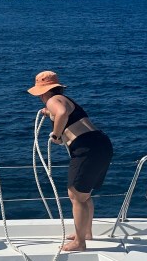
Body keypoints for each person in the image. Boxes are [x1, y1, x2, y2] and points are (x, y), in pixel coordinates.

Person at [28, 70, 114, 251]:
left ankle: (79, 242)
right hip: (100, 144)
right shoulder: (63, 99)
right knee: (84, 194)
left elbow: (62, 113)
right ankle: (86, 233)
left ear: (43, 92)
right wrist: (48, 112)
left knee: (75, 195)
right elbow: (63, 111)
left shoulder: (53, 101)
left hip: (86, 148)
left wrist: (56, 135)